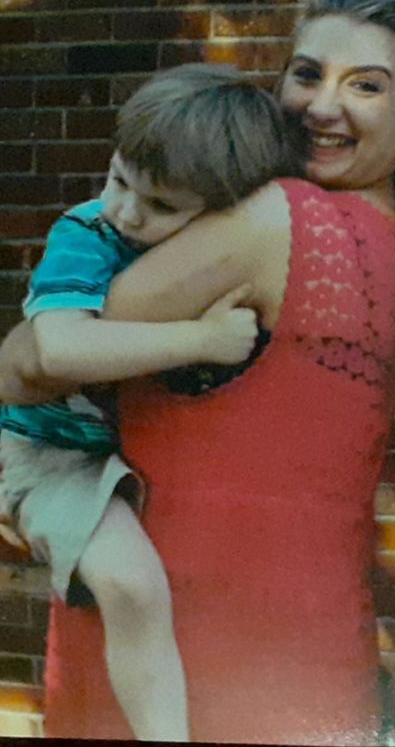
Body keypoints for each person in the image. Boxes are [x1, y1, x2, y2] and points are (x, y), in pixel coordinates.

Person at [0, 0, 395, 744]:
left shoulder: (275, 216)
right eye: (307, 74)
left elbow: (28, 362)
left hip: (183, 644)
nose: (322, 105)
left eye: (365, 86)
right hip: (312, 650)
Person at [0, 62, 299, 741]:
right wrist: (201, 338)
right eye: (118, 180)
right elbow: (58, 349)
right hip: (50, 446)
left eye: (161, 205)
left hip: (123, 450)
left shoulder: (216, 244)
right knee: (132, 585)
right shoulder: (87, 233)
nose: (127, 211)